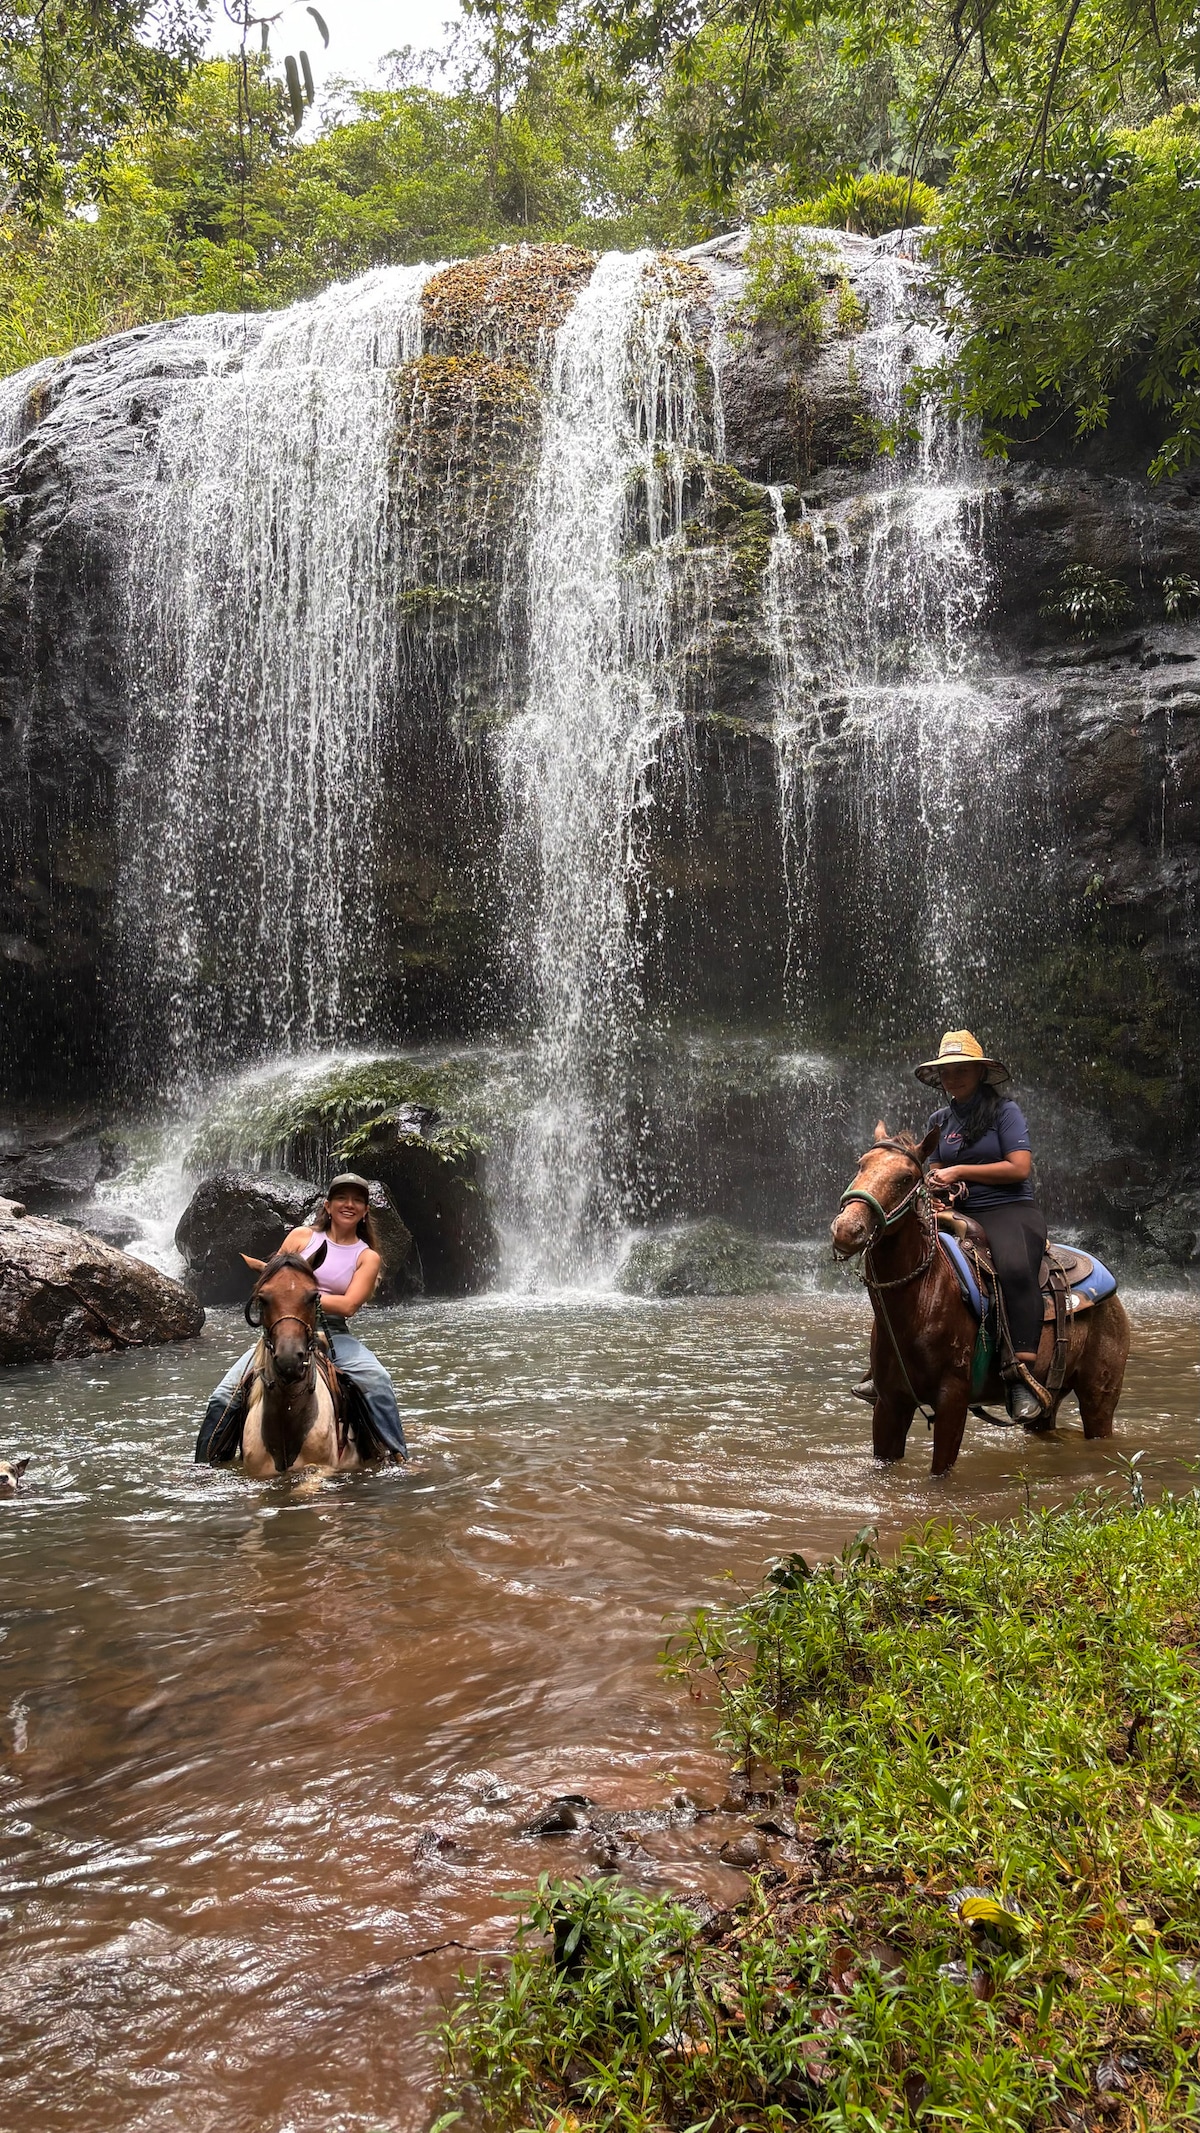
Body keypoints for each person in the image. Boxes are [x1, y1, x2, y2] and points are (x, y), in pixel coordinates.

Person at [195, 1172, 408, 1462]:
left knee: (378, 1381)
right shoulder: (301, 1236)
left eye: (357, 1200)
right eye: (342, 1198)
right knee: (223, 1396)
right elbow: (274, 1277)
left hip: (332, 1331)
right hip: (283, 1329)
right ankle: (204, 1469)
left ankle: (397, 1456)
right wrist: (288, 1300)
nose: (349, 1204)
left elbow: (348, 1305)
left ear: (366, 1211)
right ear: (328, 1205)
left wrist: (304, 1297)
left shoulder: (366, 1256)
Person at [918, 1029, 1048, 1423]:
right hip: (958, 1210)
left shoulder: (1005, 1112)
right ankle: (887, 1366)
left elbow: (1019, 1166)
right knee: (903, 1257)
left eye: (961, 1070)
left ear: (979, 1072)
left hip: (1009, 1208)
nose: (953, 1078)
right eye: (946, 1072)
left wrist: (959, 1169)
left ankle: (1020, 1375)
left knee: (1013, 1268)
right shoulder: (940, 1120)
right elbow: (936, 1164)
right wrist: (938, 1180)